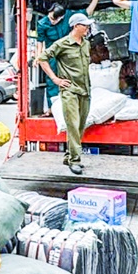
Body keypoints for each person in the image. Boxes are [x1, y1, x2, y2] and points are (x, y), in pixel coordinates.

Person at [36, 13, 93, 175]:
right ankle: (75, 160)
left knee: (81, 125)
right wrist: (55, 79)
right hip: (70, 91)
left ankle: (69, 155)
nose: (87, 28)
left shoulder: (86, 44)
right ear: (76, 26)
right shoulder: (62, 44)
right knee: (73, 125)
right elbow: (42, 58)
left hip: (85, 90)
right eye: (85, 25)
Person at [36, 0, 100, 115]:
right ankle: (53, 109)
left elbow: (87, 13)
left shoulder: (70, 15)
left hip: (69, 51)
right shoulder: (42, 23)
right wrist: (39, 57)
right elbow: (40, 41)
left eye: (58, 20)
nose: (54, 22)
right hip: (53, 54)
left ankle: (75, 107)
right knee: (52, 81)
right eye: (52, 19)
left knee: (73, 78)